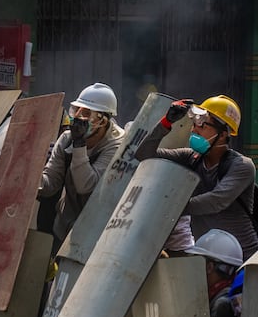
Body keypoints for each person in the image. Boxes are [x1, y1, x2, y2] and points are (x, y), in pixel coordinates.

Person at [134, 95, 258, 260]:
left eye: (201, 125)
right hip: (207, 258)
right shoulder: (191, 158)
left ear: (222, 135)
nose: (194, 130)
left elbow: (216, 201)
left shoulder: (242, 166)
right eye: (194, 124)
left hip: (243, 258)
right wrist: (166, 122)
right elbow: (144, 155)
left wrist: (172, 207)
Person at [39, 82, 124, 249]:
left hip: (99, 232)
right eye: (75, 110)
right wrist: (27, 175)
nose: (77, 117)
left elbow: (87, 186)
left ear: (102, 120)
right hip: (65, 225)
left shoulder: (118, 145)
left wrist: (79, 144)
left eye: (86, 113)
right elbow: (50, 184)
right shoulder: (67, 138)